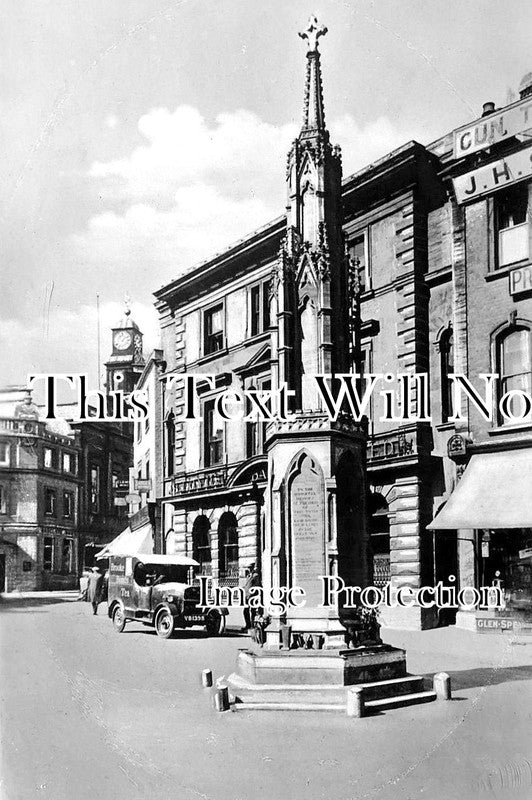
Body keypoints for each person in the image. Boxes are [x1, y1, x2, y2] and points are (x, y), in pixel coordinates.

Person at [242, 563, 260, 631]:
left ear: (253, 568)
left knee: (253, 611)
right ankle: (248, 625)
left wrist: (254, 594)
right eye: (248, 568)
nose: (249, 569)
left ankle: (253, 626)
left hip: (252, 596)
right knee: (245, 611)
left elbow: (257, 585)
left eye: (250, 568)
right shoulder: (248, 575)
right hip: (247, 596)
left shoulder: (255, 575)